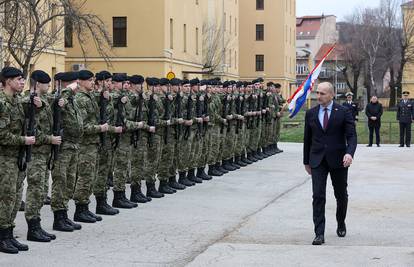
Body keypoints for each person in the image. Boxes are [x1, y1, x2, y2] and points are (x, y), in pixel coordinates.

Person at [303, 82, 357, 246]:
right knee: (318, 196)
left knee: (341, 195)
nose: (318, 96)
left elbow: (352, 136)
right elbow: (307, 139)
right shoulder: (311, 113)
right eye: (317, 93)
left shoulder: (343, 111)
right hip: (317, 160)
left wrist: (349, 153)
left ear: (332, 95)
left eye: (322, 94)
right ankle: (319, 233)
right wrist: (306, 161)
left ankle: (341, 222)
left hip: (338, 159)